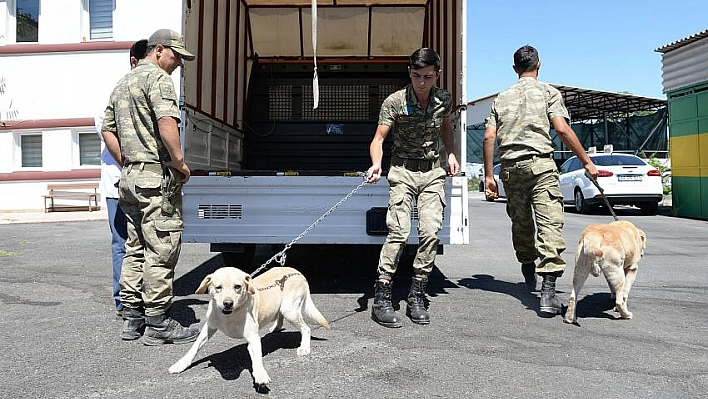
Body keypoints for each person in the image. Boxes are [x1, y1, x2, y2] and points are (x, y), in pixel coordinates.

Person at [482, 45, 598, 315]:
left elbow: (489, 137)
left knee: (521, 223)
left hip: (510, 169)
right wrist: (586, 161)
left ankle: (527, 270)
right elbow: (561, 129)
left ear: (515, 69)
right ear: (539, 65)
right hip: (541, 167)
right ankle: (547, 292)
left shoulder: (502, 97)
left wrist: (489, 176)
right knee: (549, 224)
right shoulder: (549, 92)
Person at [101, 28, 198, 345]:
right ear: (159, 50)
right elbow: (167, 122)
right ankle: (158, 323)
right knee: (161, 247)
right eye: (176, 56)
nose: (179, 63)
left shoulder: (122, 82)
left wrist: (127, 162)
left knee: (135, 247)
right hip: (156, 177)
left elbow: (107, 130)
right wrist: (179, 161)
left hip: (129, 178)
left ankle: (133, 319)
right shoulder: (158, 80)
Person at [366, 47, 460, 328]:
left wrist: (451, 153)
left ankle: (417, 294)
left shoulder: (444, 98)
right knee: (398, 231)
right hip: (403, 171)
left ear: (437, 75)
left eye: (428, 77)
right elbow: (378, 139)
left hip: (432, 172)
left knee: (430, 232)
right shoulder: (394, 102)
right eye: (417, 75)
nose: (422, 82)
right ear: (409, 72)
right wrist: (376, 164)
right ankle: (382, 296)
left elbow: (445, 127)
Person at [95, 39, 148, 319]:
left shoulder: (150, 91)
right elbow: (108, 133)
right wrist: (130, 167)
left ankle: (145, 300)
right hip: (119, 183)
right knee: (122, 244)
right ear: (134, 61)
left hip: (144, 183)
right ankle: (125, 303)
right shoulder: (115, 92)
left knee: (147, 243)